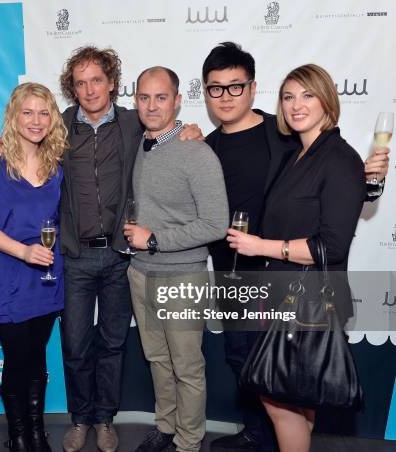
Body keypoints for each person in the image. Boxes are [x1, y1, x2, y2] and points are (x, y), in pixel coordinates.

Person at [0, 46, 202, 452]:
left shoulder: (136, 123)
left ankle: (105, 419)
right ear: (72, 89)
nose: (89, 89)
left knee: (114, 343)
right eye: (80, 83)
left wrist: (190, 129)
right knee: (76, 343)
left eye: (96, 80)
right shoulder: (59, 126)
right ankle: (80, 418)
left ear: (113, 83)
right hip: (74, 256)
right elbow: (22, 140)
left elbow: (168, 125)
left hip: (120, 256)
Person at [201, 42, 389, 452]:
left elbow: (333, 230)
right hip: (253, 280)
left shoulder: (288, 138)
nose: (296, 105)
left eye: (307, 95)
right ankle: (259, 437)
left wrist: (369, 181)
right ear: (206, 93)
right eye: (289, 97)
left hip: (299, 292)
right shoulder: (214, 145)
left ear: (251, 88)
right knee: (275, 387)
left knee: (283, 395)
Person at [123, 67, 229, 452]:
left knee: (187, 368)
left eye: (161, 97)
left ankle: (188, 442)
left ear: (178, 100)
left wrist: (155, 240)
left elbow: (217, 224)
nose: (152, 106)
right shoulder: (139, 143)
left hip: (182, 278)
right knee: (157, 361)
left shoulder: (196, 152)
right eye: (144, 98)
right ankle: (166, 428)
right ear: (135, 101)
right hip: (140, 274)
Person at [0, 82, 66, 452]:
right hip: (7, 275)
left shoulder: (56, 166)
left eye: (44, 113)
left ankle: (37, 432)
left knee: (37, 354)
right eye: (28, 112)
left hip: (45, 277)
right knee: (17, 358)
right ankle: (19, 435)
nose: (36, 121)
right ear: (14, 116)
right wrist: (23, 253)